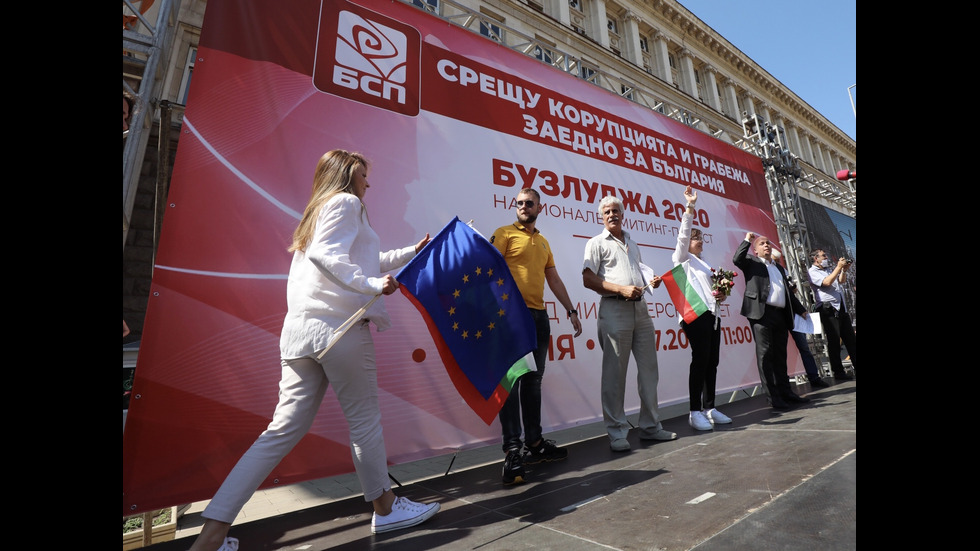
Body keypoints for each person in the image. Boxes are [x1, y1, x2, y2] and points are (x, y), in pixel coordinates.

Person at [187, 150, 438, 551]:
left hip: (300, 335)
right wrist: (373, 286)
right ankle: (387, 509)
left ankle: (212, 536)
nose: (368, 182)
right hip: (339, 330)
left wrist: (410, 251)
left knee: (280, 431)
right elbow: (329, 258)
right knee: (364, 423)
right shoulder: (347, 202)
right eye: (363, 174)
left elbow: (359, 259)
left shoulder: (318, 211)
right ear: (346, 174)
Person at [489, 188, 583, 484]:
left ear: (540, 207)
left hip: (539, 317)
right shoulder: (504, 233)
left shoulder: (543, 242)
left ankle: (535, 443)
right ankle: (512, 450)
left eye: (529, 203)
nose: (523, 207)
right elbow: (489, 269)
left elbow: (552, 278)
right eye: (519, 203)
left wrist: (571, 310)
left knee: (533, 381)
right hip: (510, 317)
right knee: (510, 383)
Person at [582, 195, 677, 452]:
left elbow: (637, 274)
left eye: (615, 211)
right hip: (614, 309)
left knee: (649, 371)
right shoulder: (596, 243)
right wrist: (621, 289)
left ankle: (650, 427)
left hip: (641, 310)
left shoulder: (633, 244)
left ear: (623, 215)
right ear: (601, 217)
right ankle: (616, 432)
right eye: (607, 212)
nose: (612, 215)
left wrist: (650, 280)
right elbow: (588, 279)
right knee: (615, 375)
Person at [671, 186, 733, 431]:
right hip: (694, 314)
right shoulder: (682, 258)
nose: (700, 241)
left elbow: (711, 291)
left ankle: (710, 408)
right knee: (700, 360)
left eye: (701, 238)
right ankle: (694, 412)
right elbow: (683, 236)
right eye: (696, 238)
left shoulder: (705, 264)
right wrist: (690, 207)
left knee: (711, 361)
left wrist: (721, 294)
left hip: (712, 315)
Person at [732, 232, 811, 411]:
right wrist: (747, 240)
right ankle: (773, 397)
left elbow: (788, 293)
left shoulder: (778, 268)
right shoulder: (751, 262)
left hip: (780, 315)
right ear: (755, 250)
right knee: (765, 355)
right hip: (761, 314)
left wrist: (801, 310)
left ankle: (786, 392)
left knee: (780, 355)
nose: (767, 245)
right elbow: (737, 259)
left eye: (768, 243)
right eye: (762, 244)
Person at [771, 250, 829, 389]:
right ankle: (782, 384)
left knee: (804, 347)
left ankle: (814, 377)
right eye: (774, 260)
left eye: (777, 260)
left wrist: (801, 309)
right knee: (779, 351)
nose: (775, 262)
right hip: (776, 314)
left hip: (792, 313)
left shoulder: (781, 269)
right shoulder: (763, 269)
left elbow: (791, 293)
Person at [807, 249, 856, 382]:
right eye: (823, 256)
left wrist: (843, 270)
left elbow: (841, 281)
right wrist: (838, 267)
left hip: (840, 307)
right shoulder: (812, 271)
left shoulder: (829, 269)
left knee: (851, 340)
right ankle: (838, 372)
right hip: (827, 309)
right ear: (816, 258)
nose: (826, 257)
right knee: (834, 341)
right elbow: (827, 283)